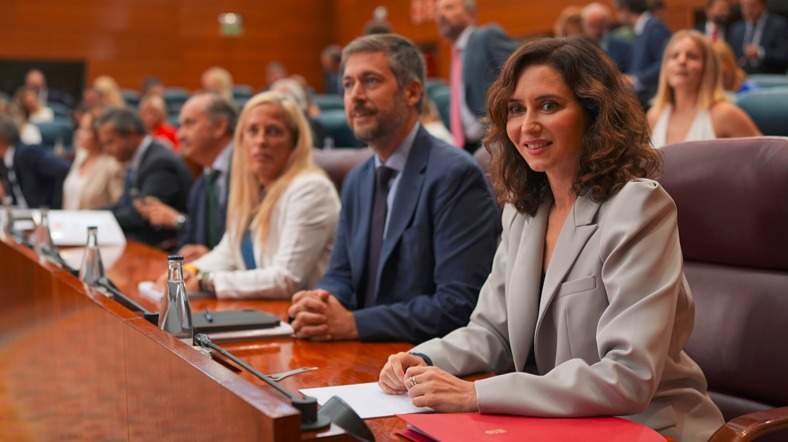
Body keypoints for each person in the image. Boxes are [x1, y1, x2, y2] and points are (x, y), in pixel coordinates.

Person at [378, 37, 724, 442]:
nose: (527, 126)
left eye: (549, 106)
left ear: (593, 114)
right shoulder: (524, 210)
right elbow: (492, 331)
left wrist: (477, 394)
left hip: (647, 426)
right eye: (516, 109)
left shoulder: (638, 207)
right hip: (555, 424)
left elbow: (628, 376)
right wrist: (422, 358)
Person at [287, 34, 498, 343]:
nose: (355, 96)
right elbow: (341, 274)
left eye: (370, 81)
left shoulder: (454, 175)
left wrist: (355, 324)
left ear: (412, 92)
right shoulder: (357, 179)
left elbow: (458, 305)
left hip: (424, 367)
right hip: (362, 358)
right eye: (347, 84)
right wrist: (322, 301)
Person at [173, 92, 340, 299]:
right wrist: (184, 273)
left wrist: (205, 282)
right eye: (252, 131)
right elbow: (228, 253)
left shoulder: (311, 189)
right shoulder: (253, 189)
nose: (261, 141)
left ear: (295, 143)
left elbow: (286, 279)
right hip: (266, 310)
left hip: (300, 319)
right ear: (241, 141)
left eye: (273, 131)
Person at [136, 93, 236, 262]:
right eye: (180, 125)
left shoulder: (249, 173)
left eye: (189, 124)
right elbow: (190, 241)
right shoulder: (203, 182)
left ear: (219, 126)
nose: (179, 135)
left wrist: (212, 259)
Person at [97, 107, 192, 248]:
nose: (106, 150)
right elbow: (124, 204)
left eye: (110, 142)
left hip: (165, 248)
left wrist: (97, 219)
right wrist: (90, 215)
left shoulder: (159, 162)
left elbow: (141, 216)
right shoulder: (140, 158)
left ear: (130, 134)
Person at [648, 30, 760, 148]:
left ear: (707, 68)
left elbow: (767, 157)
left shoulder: (725, 114)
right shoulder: (654, 116)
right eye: (674, 56)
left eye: (692, 56)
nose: (681, 61)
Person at [436, 0, 516, 152]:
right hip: (470, 146)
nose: (441, 15)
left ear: (470, 13)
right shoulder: (457, 53)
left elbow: (516, 76)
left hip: (497, 140)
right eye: (438, 11)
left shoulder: (487, 36)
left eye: (449, 7)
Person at [0, 115, 69, 208]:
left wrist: (53, 208)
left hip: (41, 215)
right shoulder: (5, 162)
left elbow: (62, 169)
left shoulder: (28, 153)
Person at [62, 111, 125, 210]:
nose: (79, 133)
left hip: (94, 224)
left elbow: (118, 206)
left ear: (99, 134)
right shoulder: (81, 155)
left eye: (86, 130)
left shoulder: (112, 165)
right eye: (80, 128)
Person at [614, 0, 672, 105]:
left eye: (618, 10)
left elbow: (665, 62)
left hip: (652, 98)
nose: (617, 15)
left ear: (626, 9)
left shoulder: (655, 27)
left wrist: (637, 79)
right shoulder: (641, 29)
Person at [727, 0, 788, 74]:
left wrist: (760, 53)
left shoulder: (779, 25)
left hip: (769, 76)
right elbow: (731, 56)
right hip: (742, 75)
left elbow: (783, 56)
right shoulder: (736, 29)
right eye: (744, 7)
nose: (748, 10)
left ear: (762, 5)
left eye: (752, 6)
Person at [581, 2, 633, 72]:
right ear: (584, 25)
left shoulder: (624, 47)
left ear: (607, 24)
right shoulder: (579, 48)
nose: (596, 30)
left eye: (600, 25)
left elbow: (631, 73)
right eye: (592, 25)